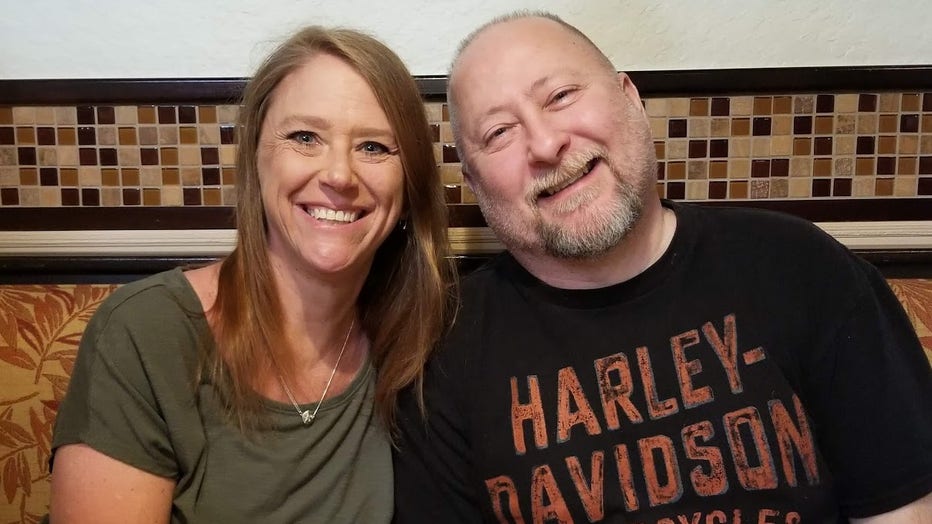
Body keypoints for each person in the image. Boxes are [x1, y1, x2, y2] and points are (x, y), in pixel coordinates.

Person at [392, 11, 932, 523]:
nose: (546, 144)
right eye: (499, 133)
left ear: (629, 97)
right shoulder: (442, 353)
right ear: (473, 181)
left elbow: (903, 506)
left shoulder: (801, 267)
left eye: (560, 96)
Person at [45, 25, 455, 523]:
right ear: (255, 159)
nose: (339, 175)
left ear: (409, 184)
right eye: (305, 138)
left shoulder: (422, 343)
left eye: (373, 147)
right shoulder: (147, 333)